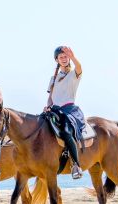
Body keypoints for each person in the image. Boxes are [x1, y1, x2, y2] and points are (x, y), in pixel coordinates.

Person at [44, 46, 84, 179]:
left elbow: (79, 68)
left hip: (68, 110)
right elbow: (51, 96)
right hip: (54, 110)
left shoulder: (73, 74)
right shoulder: (53, 78)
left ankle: (76, 165)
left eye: (65, 56)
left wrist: (73, 56)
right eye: (61, 57)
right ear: (57, 60)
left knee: (66, 132)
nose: (63, 59)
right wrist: (48, 106)